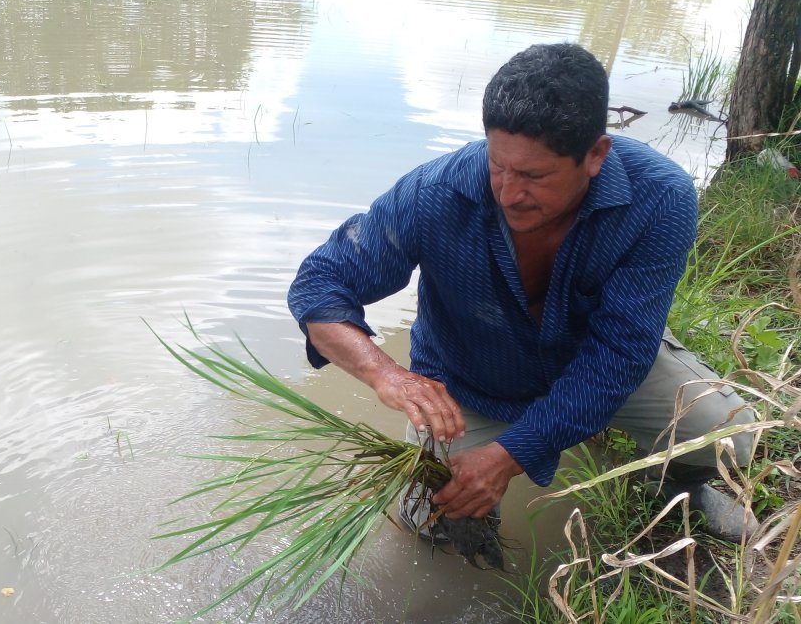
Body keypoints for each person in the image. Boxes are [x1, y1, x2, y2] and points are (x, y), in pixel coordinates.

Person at [287, 43, 758, 542]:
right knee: (432, 518)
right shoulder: (434, 193)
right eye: (498, 166)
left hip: (599, 366)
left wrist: (508, 456)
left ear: (596, 155)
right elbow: (320, 286)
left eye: (534, 176)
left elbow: (619, 354)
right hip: (472, 382)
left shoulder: (659, 197)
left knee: (728, 433)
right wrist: (387, 375)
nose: (509, 193)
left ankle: (679, 487)